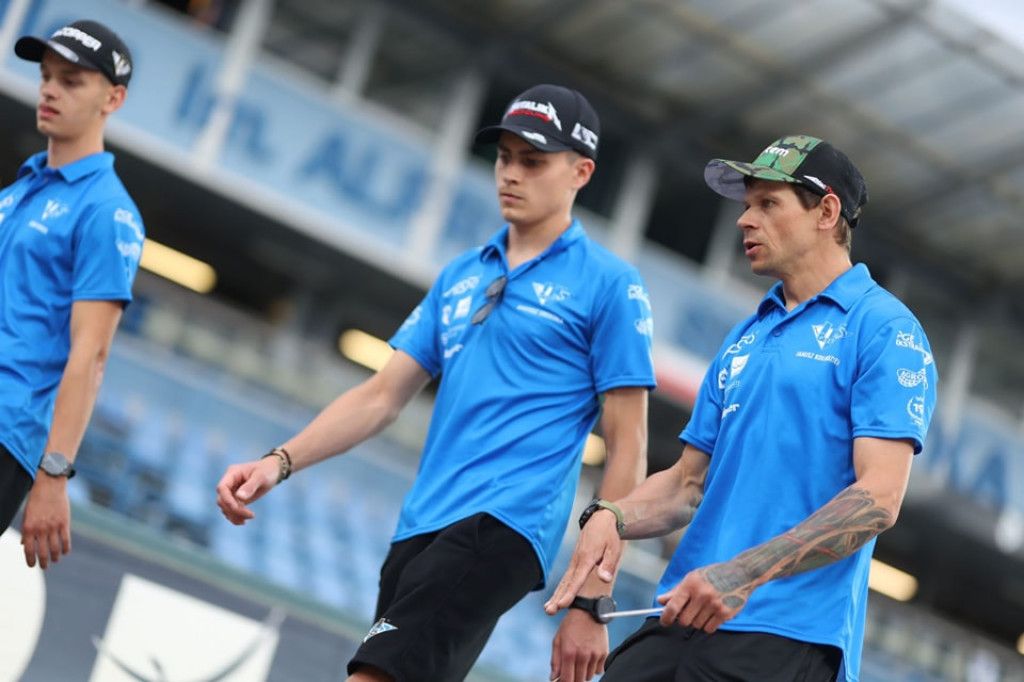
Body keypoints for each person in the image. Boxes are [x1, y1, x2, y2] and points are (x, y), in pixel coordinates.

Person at [216, 84, 657, 682]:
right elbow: (380, 396)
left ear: (581, 172)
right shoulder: (460, 274)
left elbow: (628, 444)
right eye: (504, 158)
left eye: (533, 162)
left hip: (503, 523)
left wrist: (591, 598)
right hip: (420, 525)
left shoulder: (610, 283)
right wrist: (278, 462)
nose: (511, 174)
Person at [545, 134, 938, 682]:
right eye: (748, 204)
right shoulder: (747, 335)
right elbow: (686, 484)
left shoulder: (886, 330)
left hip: (788, 638)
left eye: (768, 204)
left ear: (826, 213)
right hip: (680, 616)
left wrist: (743, 574)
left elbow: (878, 500)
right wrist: (612, 515)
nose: (744, 220)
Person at [0, 21, 144, 568]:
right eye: (45, 76)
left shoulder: (107, 211)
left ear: (113, 99)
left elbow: (92, 353)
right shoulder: (21, 189)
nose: (49, 90)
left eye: (70, 81)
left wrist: (54, 473)